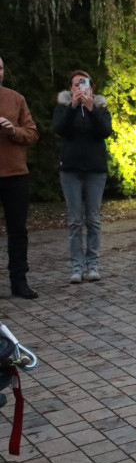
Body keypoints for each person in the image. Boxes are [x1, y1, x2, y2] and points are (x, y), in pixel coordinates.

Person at [53, 69, 112, 284]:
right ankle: (77, 267)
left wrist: (91, 109)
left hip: (95, 170)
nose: (80, 87)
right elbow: (59, 129)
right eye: (76, 84)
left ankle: (93, 264)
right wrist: (73, 107)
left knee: (93, 220)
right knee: (75, 221)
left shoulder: (101, 108)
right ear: (71, 88)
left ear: (92, 87)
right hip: (71, 170)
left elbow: (106, 131)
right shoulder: (63, 108)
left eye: (84, 83)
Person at [0, 56, 40, 299]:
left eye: (1, 67)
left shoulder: (16, 98)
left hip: (15, 174)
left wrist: (12, 130)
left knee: (17, 231)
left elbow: (33, 134)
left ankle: (19, 281)